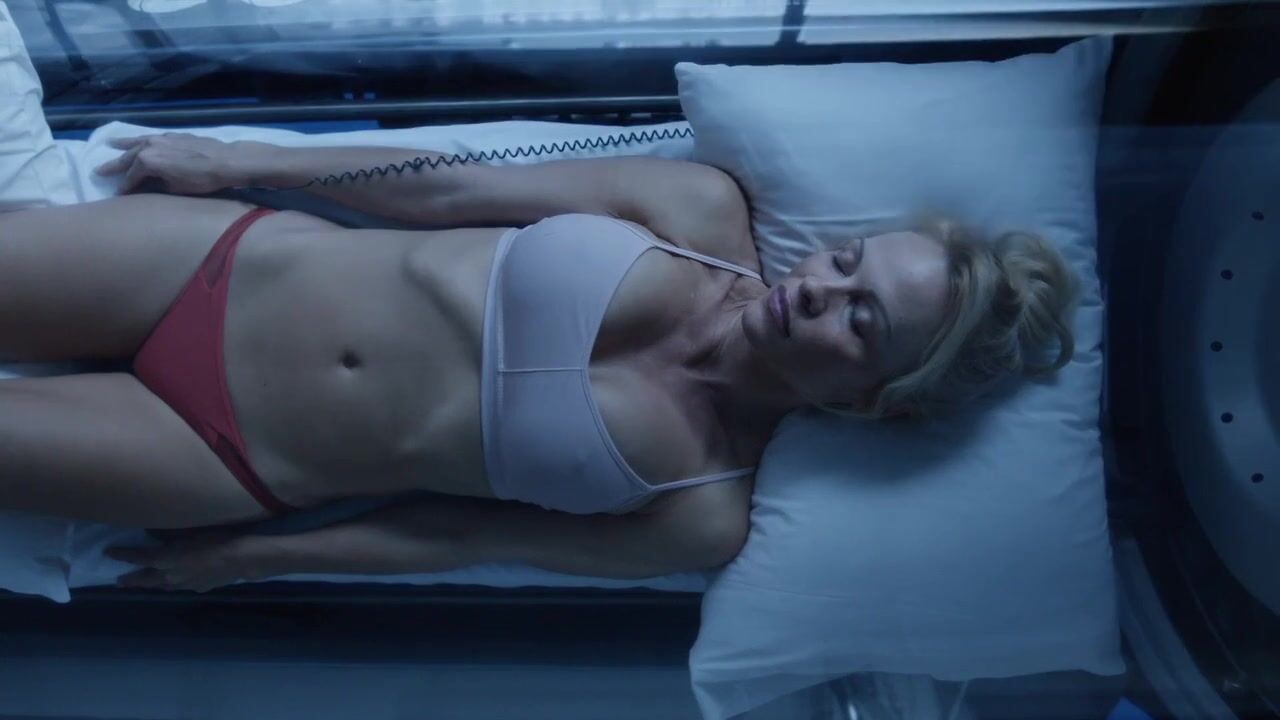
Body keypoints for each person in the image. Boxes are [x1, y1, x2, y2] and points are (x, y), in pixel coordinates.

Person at [0, 132, 1076, 592]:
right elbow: (448, 187)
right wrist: (237, 159)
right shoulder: (697, 211)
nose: (819, 290)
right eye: (846, 260)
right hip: (220, 265)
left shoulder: (702, 510)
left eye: (861, 321)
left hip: (225, 454)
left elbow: (456, 537)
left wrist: (251, 561)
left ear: (878, 402)